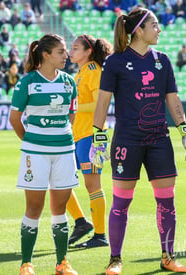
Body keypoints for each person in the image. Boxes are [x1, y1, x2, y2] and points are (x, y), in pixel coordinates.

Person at [92, 7, 186, 274]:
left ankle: (168, 256)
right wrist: (98, 137)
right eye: (155, 25)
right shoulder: (115, 62)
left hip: (159, 139)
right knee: (121, 203)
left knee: (166, 201)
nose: (159, 30)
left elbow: (172, 98)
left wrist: (184, 129)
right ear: (138, 30)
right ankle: (115, 260)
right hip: (127, 140)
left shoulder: (163, 60)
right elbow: (103, 101)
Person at [9, 34, 79, 275]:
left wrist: (58, 136)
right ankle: (26, 263)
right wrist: (33, 142)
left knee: (60, 208)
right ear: (46, 55)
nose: (66, 55)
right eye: (61, 52)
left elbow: (72, 116)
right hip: (35, 153)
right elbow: (15, 120)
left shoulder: (69, 81)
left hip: (64, 151)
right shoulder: (26, 82)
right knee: (34, 208)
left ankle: (62, 263)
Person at [67, 34, 113, 248]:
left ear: (88, 52)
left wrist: (71, 108)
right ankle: (81, 222)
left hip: (93, 135)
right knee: (61, 181)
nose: (70, 51)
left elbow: (99, 103)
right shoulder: (81, 72)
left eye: (75, 48)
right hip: (80, 134)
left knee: (92, 183)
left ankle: (100, 235)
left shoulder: (94, 70)